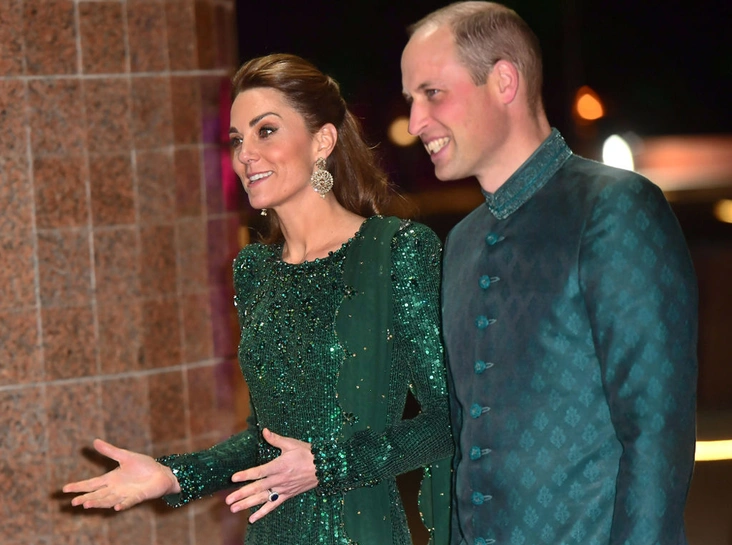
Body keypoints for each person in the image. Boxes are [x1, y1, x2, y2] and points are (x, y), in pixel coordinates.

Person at [63, 53, 453, 545]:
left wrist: (327, 465)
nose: (245, 153)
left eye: (265, 131)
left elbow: (448, 420)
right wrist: (173, 475)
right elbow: (265, 440)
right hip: (271, 532)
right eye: (236, 139)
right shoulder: (254, 270)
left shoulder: (395, 250)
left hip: (358, 531)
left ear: (322, 141)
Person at [401, 3, 698, 545]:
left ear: (504, 81)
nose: (416, 121)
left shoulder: (614, 208)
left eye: (433, 93)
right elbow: (466, 443)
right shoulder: (461, 243)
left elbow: (657, 434)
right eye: (411, 100)